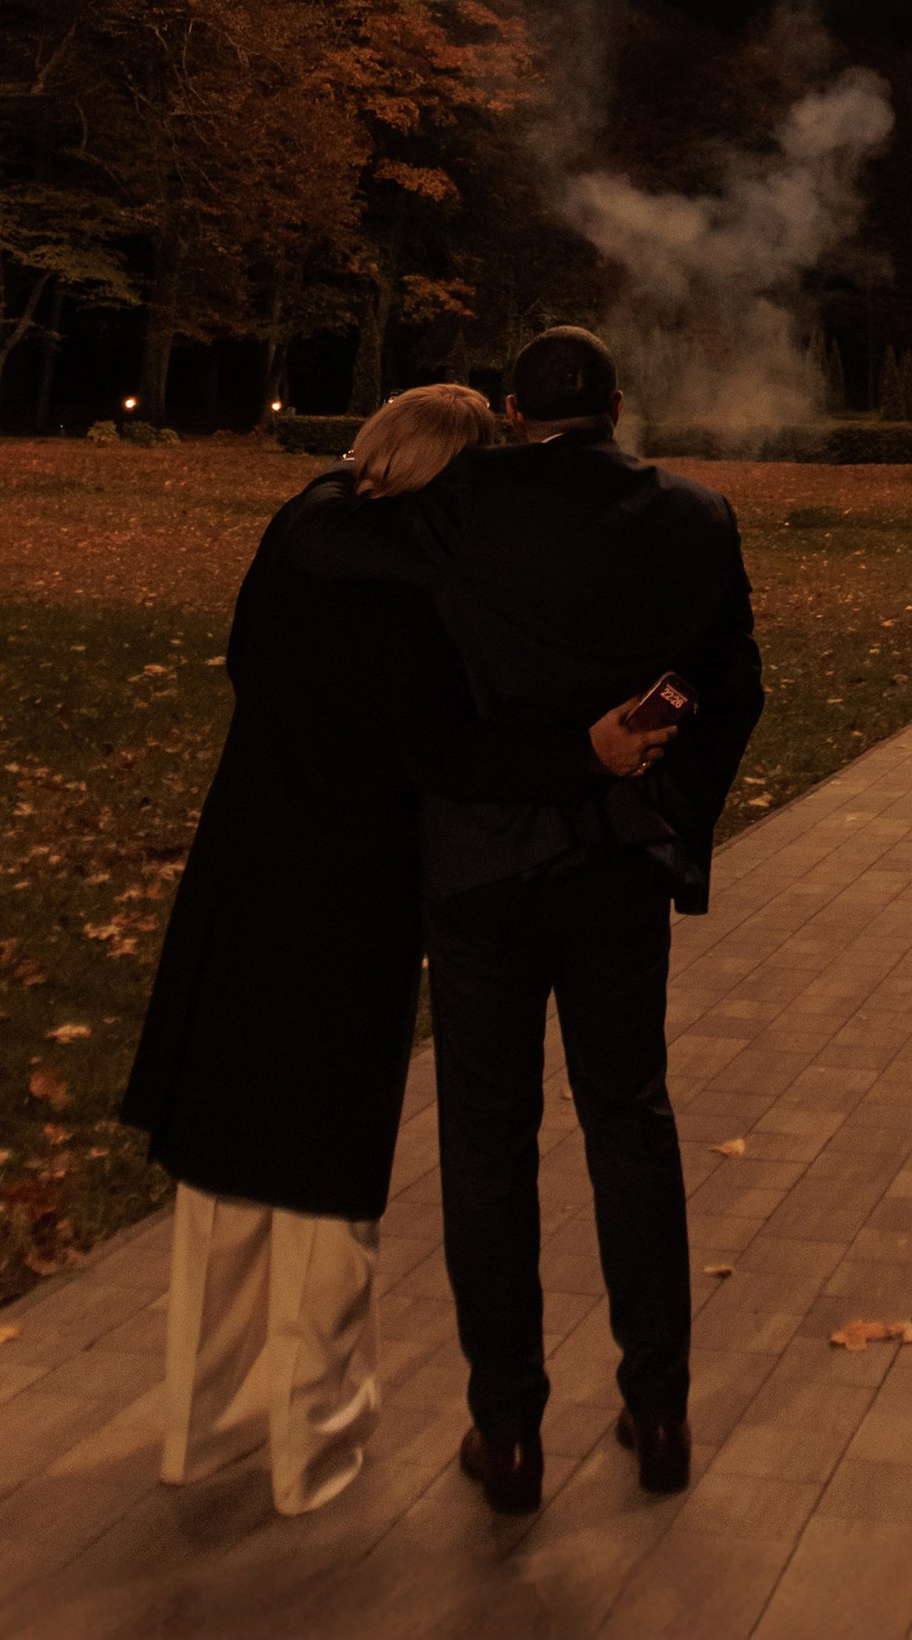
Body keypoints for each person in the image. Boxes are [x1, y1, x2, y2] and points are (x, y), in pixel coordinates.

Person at [122, 380, 665, 1516]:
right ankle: (310, 1440)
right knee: (323, 1176)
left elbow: (240, 661)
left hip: (241, 866)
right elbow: (444, 750)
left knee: (225, 1166)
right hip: (348, 888)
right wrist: (587, 751)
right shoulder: (422, 594)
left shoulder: (299, 525)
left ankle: (201, 1424)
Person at [291, 325, 763, 1517]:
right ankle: (658, 1410)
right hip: (611, 860)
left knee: (487, 1147)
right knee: (631, 1124)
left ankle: (506, 1433)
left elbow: (318, 535)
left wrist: (347, 466)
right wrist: (669, 802)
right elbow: (737, 684)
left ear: (510, 409)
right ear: (617, 404)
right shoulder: (694, 516)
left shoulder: (458, 506)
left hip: (479, 864)